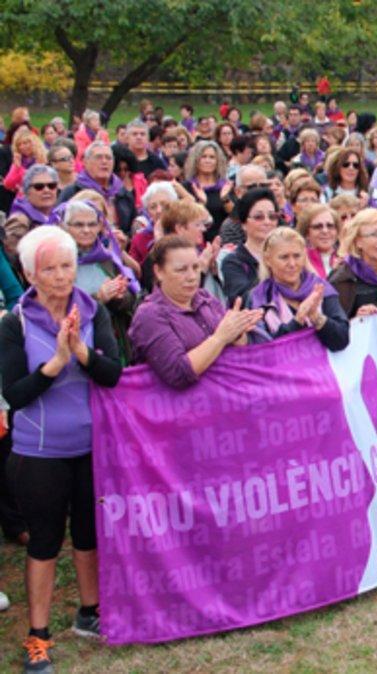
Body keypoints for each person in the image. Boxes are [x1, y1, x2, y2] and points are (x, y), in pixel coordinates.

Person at [0, 226, 123, 673]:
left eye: (67, 266)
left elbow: (113, 374)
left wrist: (82, 352)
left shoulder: (94, 313)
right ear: (30, 273)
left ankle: (90, 613)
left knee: (89, 537)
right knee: (46, 543)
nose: (59, 276)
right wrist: (55, 362)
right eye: (48, 268)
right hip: (39, 453)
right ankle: (38, 636)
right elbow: (14, 394)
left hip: (93, 448)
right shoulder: (14, 323)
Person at [129, 235, 263, 389]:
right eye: (181, 270)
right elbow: (177, 373)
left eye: (196, 267)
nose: (192, 277)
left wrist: (239, 332)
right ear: (159, 271)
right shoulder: (149, 315)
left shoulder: (205, 298)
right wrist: (220, 338)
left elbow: (237, 345)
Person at [246, 227, 349, 350]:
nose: (292, 264)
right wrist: (298, 320)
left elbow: (342, 340)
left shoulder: (320, 288)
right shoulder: (259, 297)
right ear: (268, 260)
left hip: (322, 367)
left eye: (297, 256)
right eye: (284, 257)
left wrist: (316, 317)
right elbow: (263, 350)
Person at [61, 200, 138, 361]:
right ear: (65, 227)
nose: (86, 230)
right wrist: (98, 299)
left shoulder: (107, 258)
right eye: (79, 225)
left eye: (92, 224)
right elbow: (58, 306)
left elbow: (131, 302)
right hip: (75, 342)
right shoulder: (59, 262)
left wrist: (119, 296)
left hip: (112, 336)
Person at [58, 143, 136, 233]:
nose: (104, 161)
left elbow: (131, 226)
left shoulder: (122, 192)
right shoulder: (72, 192)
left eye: (108, 158)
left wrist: (125, 239)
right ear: (85, 162)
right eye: (98, 157)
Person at [220, 189, 278, 304]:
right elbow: (243, 299)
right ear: (243, 224)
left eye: (272, 216)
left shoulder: (288, 255)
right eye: (258, 217)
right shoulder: (233, 261)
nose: (267, 222)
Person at [296, 204, 342, 279]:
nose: (325, 231)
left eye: (330, 225)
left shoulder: (346, 258)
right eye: (317, 226)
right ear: (307, 233)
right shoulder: (299, 260)